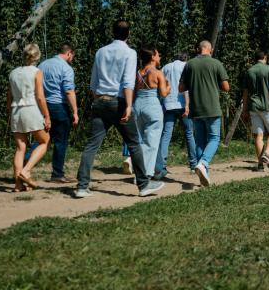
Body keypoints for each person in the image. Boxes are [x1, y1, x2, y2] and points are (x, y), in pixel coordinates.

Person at [75, 20, 164, 198]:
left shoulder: (100, 52)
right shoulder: (130, 53)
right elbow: (127, 82)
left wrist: (98, 100)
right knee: (134, 144)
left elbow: (93, 81)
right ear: (128, 34)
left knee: (92, 145)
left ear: (112, 32)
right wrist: (129, 105)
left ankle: (82, 187)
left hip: (100, 101)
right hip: (119, 102)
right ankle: (144, 185)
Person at [24, 43, 78, 183]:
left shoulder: (42, 65)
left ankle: (24, 164)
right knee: (60, 141)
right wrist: (75, 111)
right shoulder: (66, 68)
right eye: (73, 55)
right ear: (69, 53)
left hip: (43, 106)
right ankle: (57, 174)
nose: (72, 58)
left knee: (43, 139)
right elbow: (69, 91)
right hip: (59, 106)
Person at [179, 40, 230, 187]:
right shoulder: (216, 63)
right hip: (212, 107)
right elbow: (226, 87)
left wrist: (193, 82)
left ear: (198, 49)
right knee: (214, 138)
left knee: (200, 141)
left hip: (195, 109)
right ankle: (203, 162)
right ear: (210, 49)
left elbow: (181, 88)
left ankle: (203, 171)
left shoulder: (189, 64)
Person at [8, 43, 51, 191]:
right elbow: (40, 96)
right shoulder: (36, 72)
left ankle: (18, 185)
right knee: (44, 141)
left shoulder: (13, 73)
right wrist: (47, 116)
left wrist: (10, 114)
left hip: (16, 111)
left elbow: (9, 97)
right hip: (31, 109)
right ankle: (26, 172)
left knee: (20, 148)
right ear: (37, 56)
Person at [155, 52, 196, 179]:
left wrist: (161, 101)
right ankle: (194, 164)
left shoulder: (166, 67)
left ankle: (161, 166)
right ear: (186, 58)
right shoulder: (186, 66)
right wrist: (188, 105)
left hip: (168, 104)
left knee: (166, 135)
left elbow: (160, 85)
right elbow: (185, 88)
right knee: (189, 133)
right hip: (182, 104)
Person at [242, 49, 269, 171]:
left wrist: (245, 109)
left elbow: (245, 93)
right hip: (268, 107)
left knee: (258, 136)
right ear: (265, 57)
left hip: (253, 107)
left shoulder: (249, 71)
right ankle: (267, 154)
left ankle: (260, 164)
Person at [133, 46, 169, 177]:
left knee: (140, 140)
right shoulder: (158, 72)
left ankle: (138, 169)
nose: (159, 57)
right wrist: (169, 86)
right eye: (158, 55)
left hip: (137, 105)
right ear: (153, 56)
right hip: (152, 105)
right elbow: (164, 94)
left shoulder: (137, 73)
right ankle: (145, 175)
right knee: (152, 142)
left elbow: (133, 91)